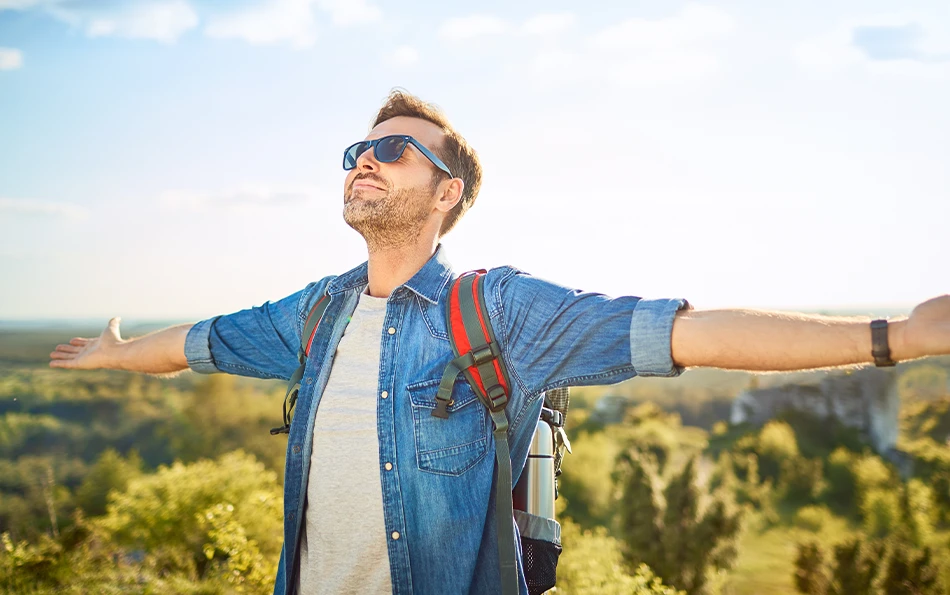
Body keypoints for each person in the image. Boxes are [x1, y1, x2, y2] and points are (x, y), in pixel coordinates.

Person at [49, 90, 950, 595]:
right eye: (358, 148)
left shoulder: (503, 312)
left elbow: (689, 330)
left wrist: (898, 335)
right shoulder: (315, 313)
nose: (365, 157)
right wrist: (116, 354)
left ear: (447, 196)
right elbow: (201, 343)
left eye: (394, 151)